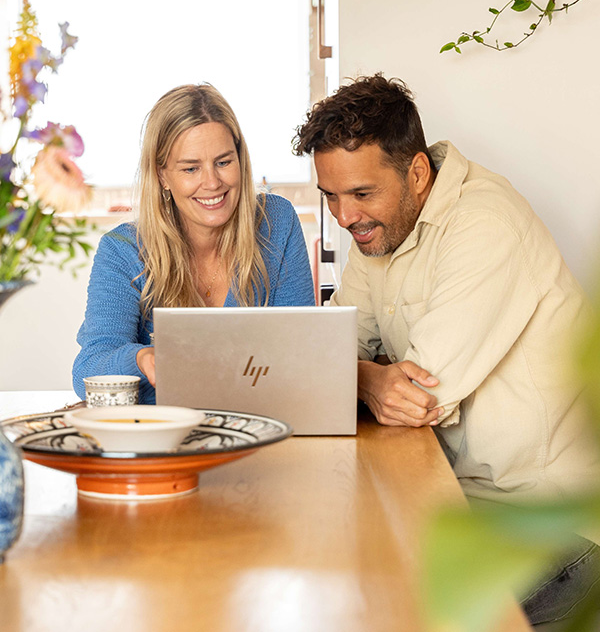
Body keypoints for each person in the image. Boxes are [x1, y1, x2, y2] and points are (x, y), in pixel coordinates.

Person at [293, 73, 600, 625]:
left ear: (416, 173)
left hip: (551, 526)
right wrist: (370, 377)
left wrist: (367, 378)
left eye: (361, 194)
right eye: (331, 197)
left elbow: (414, 398)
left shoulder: (484, 223)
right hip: (460, 502)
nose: (344, 217)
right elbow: (323, 350)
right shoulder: (381, 229)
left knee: (386, 609)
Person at [73, 83, 315, 405]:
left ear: (240, 159)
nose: (212, 183)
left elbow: (301, 355)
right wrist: (143, 359)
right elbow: (89, 371)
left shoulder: (276, 222)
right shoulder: (123, 250)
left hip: (261, 428)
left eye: (224, 162)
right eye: (190, 168)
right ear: (162, 176)